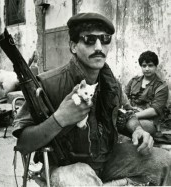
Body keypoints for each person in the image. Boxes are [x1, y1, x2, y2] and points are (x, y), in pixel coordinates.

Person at [13, 13, 171, 186]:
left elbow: (126, 113)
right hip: (66, 165)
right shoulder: (47, 84)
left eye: (105, 39)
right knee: (79, 180)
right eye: (89, 39)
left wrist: (137, 130)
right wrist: (59, 120)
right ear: (73, 46)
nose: (99, 47)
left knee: (164, 161)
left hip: (108, 158)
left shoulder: (111, 83)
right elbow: (23, 144)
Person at [125, 51, 169, 135]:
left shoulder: (161, 86)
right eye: (144, 66)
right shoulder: (134, 81)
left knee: (129, 124)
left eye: (150, 65)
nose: (147, 69)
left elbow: (155, 110)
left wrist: (133, 116)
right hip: (130, 114)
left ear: (156, 66)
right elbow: (122, 97)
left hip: (149, 121)